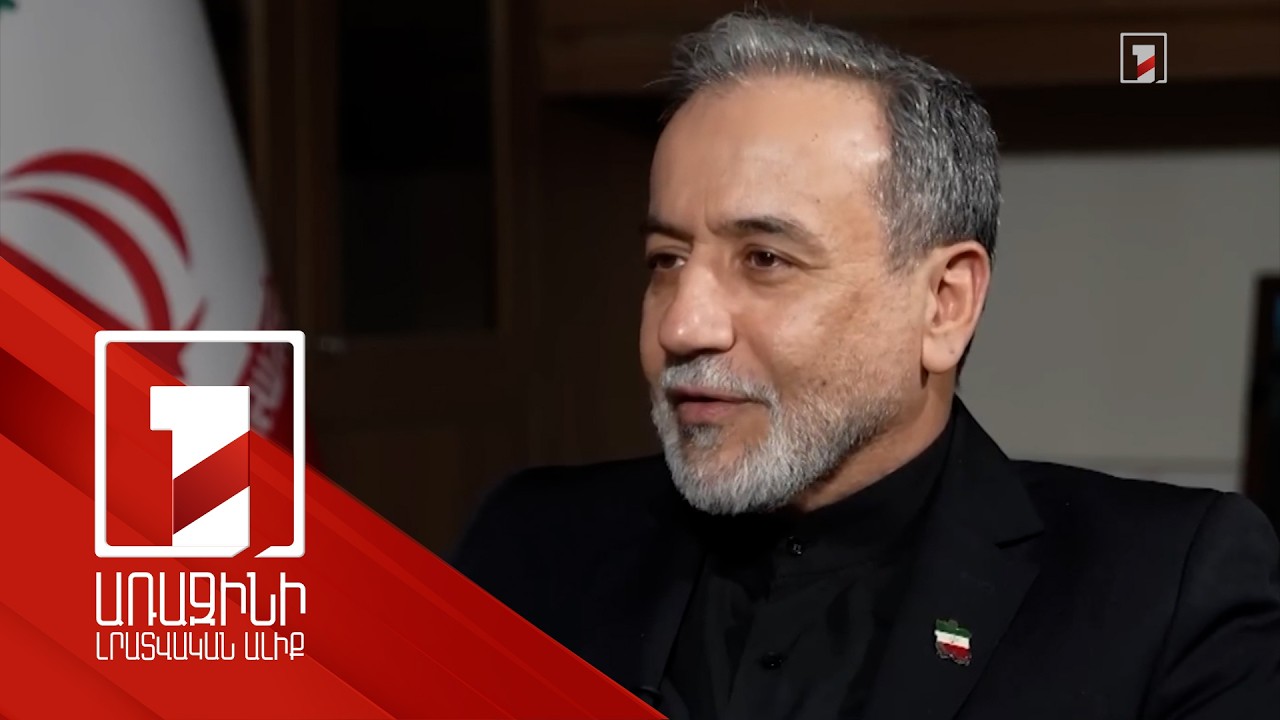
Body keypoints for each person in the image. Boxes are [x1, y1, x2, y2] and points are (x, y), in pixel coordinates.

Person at [452, 11, 1280, 720]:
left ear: (944, 304)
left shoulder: (1165, 593)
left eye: (765, 259)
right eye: (667, 260)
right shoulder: (532, 543)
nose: (682, 324)